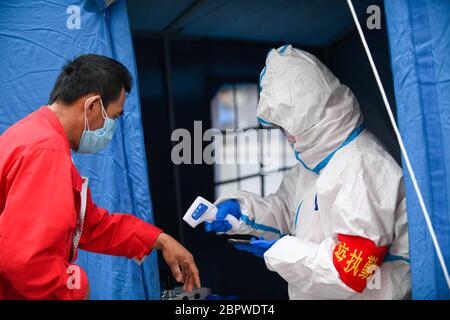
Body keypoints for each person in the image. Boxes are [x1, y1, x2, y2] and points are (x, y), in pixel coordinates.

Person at [204, 45, 410, 299]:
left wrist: (282, 251)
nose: (285, 136)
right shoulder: (315, 161)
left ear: (308, 119)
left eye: (285, 127)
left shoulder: (365, 166)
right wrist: (242, 212)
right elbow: (285, 210)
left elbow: (353, 270)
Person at [0, 54, 200, 300]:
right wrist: (75, 289)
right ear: (92, 105)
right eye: (113, 117)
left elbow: (90, 226)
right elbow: (24, 259)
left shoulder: (30, 134)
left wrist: (158, 239)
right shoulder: (46, 150)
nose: (111, 128)